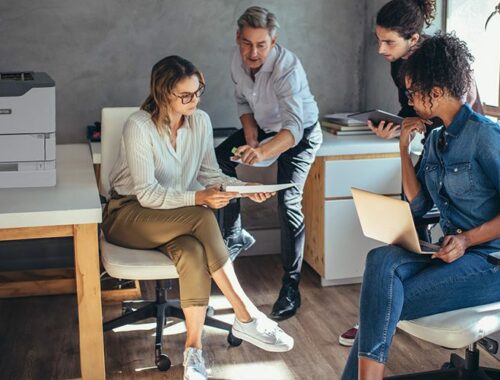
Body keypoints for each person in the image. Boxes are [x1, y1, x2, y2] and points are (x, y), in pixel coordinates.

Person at [102, 55, 294, 380]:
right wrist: (199, 198)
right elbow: (147, 194)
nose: (195, 100)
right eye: (186, 95)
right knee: (203, 217)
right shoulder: (139, 126)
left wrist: (244, 188)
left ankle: (193, 354)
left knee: (192, 252)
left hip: (173, 216)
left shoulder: (200, 121)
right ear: (164, 94)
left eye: (198, 92)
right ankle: (245, 313)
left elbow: (209, 174)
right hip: (128, 213)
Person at [341, 32, 500, 380]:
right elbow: (418, 204)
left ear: (438, 90)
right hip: (452, 250)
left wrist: (467, 240)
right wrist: (402, 148)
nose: (409, 100)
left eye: (413, 91)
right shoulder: (436, 137)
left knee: (381, 303)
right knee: (379, 259)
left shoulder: (484, 136)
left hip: (491, 261)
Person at [215, 6, 322, 321]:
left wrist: (261, 153)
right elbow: (242, 100)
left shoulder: (287, 68)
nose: (253, 52)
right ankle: (234, 233)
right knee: (219, 159)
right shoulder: (238, 60)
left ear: (273, 42)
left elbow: (294, 128)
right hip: (264, 127)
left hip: (298, 135)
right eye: (247, 43)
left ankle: (291, 289)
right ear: (238, 38)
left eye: (261, 45)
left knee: (288, 202)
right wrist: (250, 133)